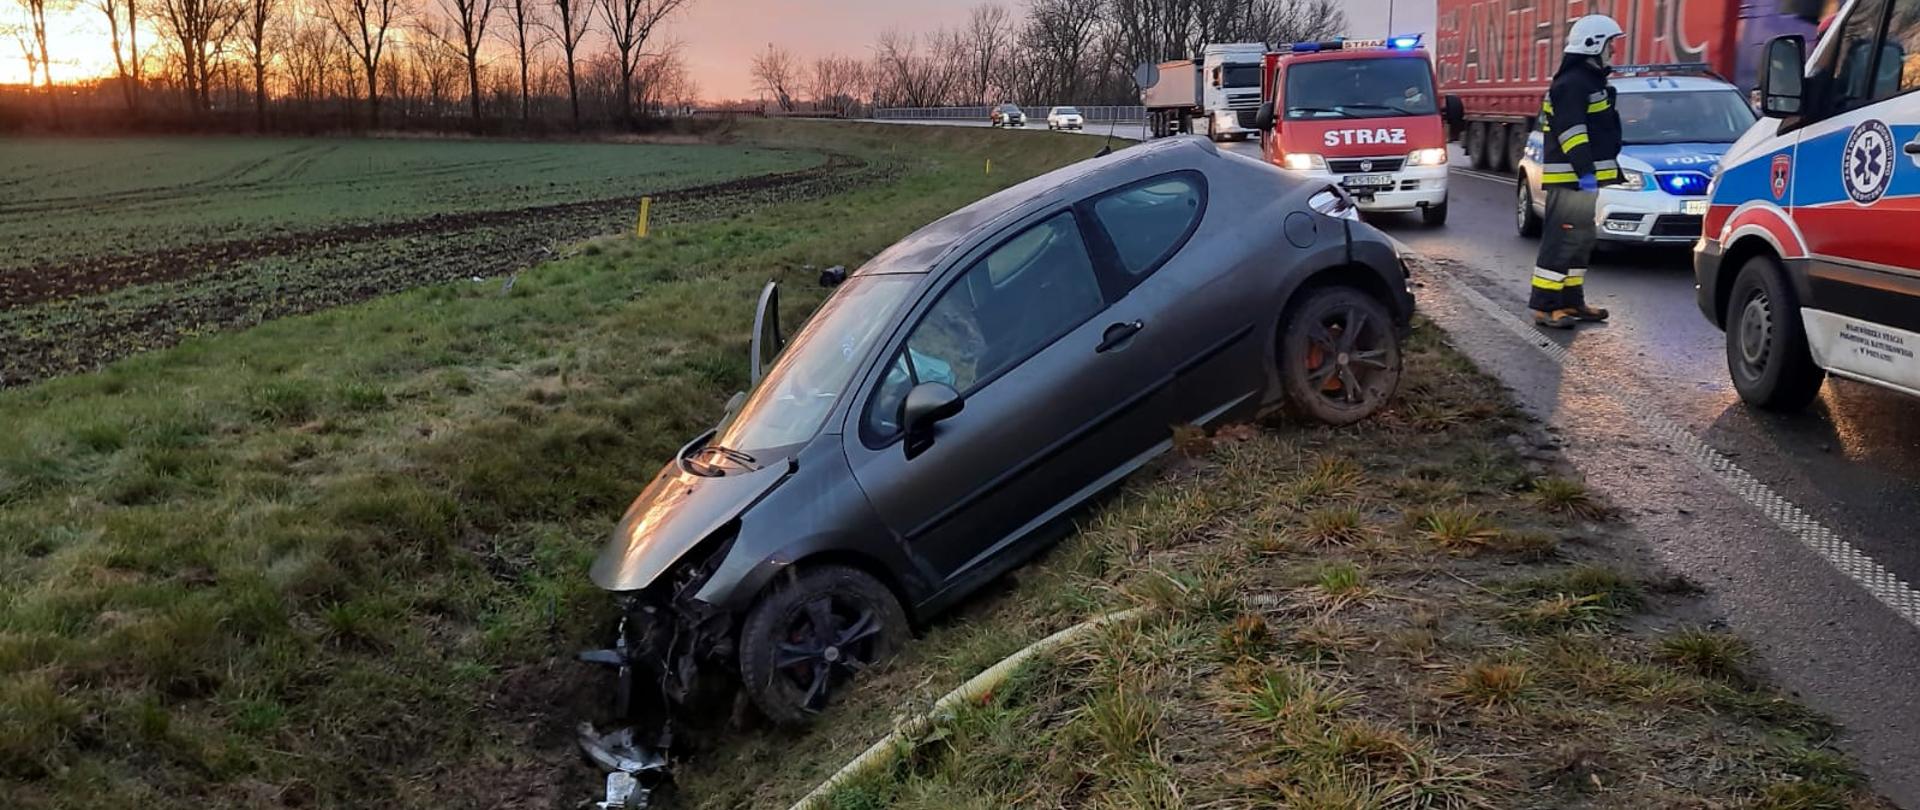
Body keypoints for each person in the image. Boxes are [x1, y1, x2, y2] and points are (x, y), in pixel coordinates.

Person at [1530, 14, 1626, 328]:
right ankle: (1546, 307)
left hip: (1583, 178)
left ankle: (1571, 302)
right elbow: (1572, 132)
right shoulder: (1572, 84)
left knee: (1581, 239)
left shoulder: (1589, 81)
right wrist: (1585, 170)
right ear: (1594, 44)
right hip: (1571, 177)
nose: (1613, 50)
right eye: (1611, 43)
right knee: (1562, 240)